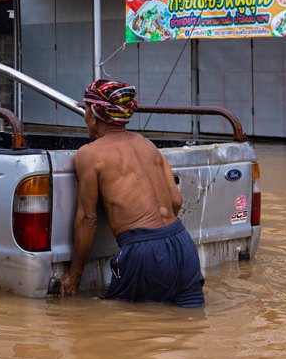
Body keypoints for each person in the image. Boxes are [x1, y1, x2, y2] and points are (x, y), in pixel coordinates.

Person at [59, 79, 205, 308]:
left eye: (85, 108)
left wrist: (74, 274)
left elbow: (88, 219)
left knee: (119, 328)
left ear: (95, 113)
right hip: (183, 245)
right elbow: (176, 201)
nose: (84, 114)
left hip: (143, 251)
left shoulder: (89, 154)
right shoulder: (147, 144)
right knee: (190, 321)